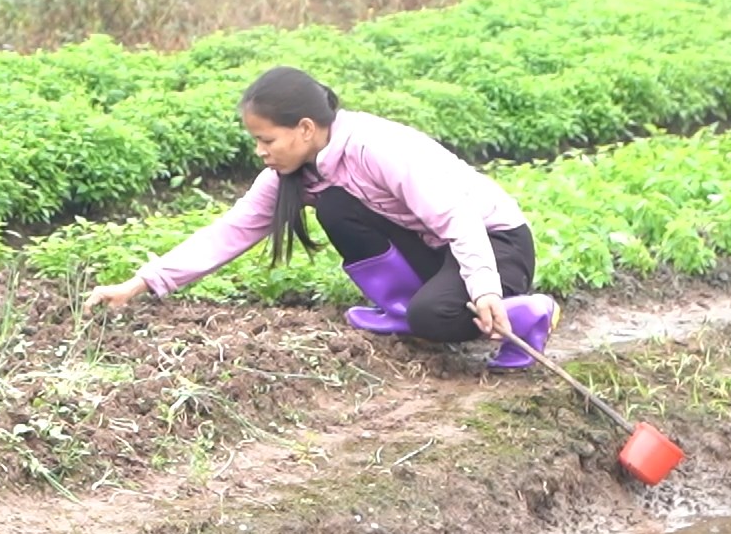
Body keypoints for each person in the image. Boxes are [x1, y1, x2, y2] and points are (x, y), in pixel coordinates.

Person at [87, 66, 559, 370]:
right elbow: (231, 231)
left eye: (267, 139)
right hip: (436, 250)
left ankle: (526, 313)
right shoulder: (297, 172)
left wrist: (485, 290)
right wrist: (139, 284)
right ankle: (403, 310)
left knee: (434, 317)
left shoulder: (377, 148)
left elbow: (458, 219)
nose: (260, 151)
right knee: (335, 205)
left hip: (495, 244)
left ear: (306, 128)